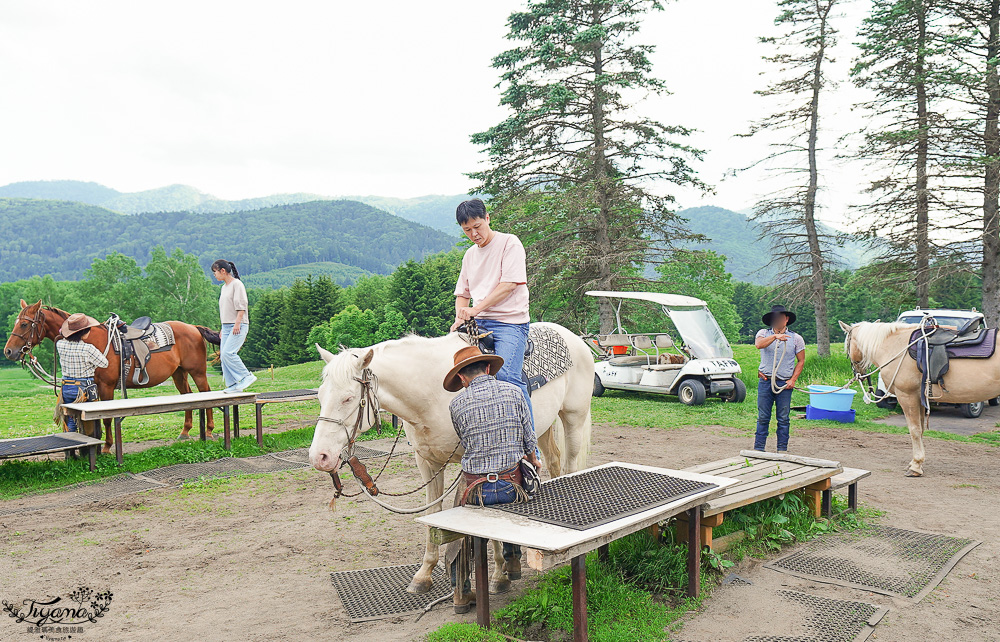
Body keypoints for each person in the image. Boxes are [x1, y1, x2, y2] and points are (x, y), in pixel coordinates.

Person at [444, 345, 541, 613]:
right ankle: (512, 559)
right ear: (488, 368)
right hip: (511, 487)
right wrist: (533, 460)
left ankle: (461, 593)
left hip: (477, 492)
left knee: (460, 535)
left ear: (461, 378)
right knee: (516, 495)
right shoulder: (514, 392)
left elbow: (465, 441)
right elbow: (529, 440)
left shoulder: (456, 404)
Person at [449, 198, 535, 431]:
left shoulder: (509, 243)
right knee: (450, 367)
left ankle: (529, 442)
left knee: (507, 376)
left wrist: (475, 309)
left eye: (477, 227)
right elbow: (462, 294)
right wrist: (459, 318)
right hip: (479, 322)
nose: (474, 234)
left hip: (510, 323)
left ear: (487, 218)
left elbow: (509, 285)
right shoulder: (470, 255)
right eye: (467, 230)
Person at [754, 304, 806, 453]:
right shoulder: (763, 333)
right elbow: (759, 345)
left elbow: (801, 360)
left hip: (784, 383)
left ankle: (782, 449)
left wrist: (793, 380)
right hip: (766, 381)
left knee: (783, 418)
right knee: (763, 416)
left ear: (786, 319)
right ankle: (759, 449)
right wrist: (775, 336)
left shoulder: (796, 339)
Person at [56, 313, 108, 433]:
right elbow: (104, 363)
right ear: (84, 332)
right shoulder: (88, 348)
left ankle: (70, 441)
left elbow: (62, 337)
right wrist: (92, 365)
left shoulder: (60, 345)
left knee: (71, 418)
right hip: (84, 389)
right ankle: (90, 442)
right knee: (89, 420)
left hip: (66, 387)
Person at [211, 259, 256, 393]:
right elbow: (226, 309)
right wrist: (223, 328)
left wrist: (237, 324)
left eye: (215, 272)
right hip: (226, 326)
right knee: (223, 356)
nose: (214, 275)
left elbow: (241, 306)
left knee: (228, 353)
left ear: (223, 271)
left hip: (238, 324)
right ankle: (232, 384)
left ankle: (246, 376)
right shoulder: (224, 287)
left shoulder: (237, 284)